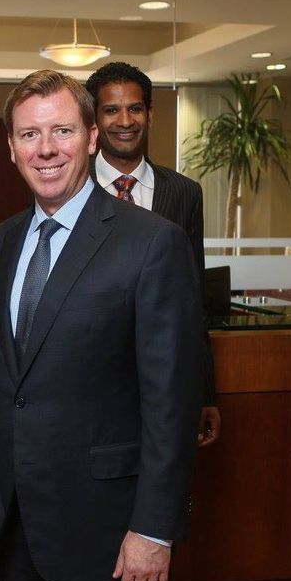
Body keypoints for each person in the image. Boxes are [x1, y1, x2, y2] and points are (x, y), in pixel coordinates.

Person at [0, 69, 204, 581]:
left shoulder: (152, 243)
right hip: (14, 531)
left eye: (62, 131)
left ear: (91, 139)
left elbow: (172, 406)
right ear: (11, 148)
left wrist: (154, 529)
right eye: (29, 135)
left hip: (113, 541)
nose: (46, 149)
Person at [85, 61, 220, 447]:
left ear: (150, 115)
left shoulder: (184, 193)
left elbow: (194, 300)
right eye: (111, 109)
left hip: (166, 386)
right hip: (89, 386)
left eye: (135, 108)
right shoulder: (69, 189)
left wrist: (206, 391)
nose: (124, 120)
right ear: (94, 121)